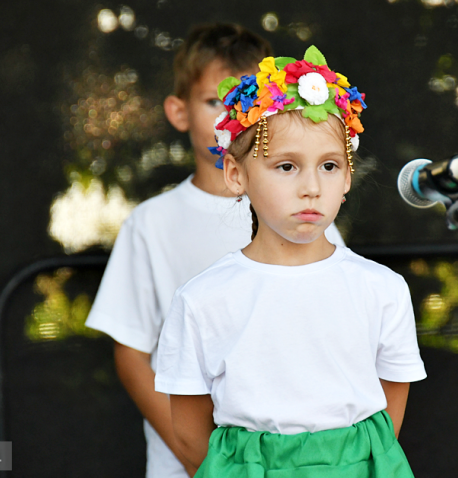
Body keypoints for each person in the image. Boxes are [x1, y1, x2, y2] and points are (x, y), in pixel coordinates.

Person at [85, 25, 346, 478]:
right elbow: (131, 355)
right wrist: (201, 460)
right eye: (213, 101)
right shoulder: (151, 222)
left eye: (245, 100)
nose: (230, 115)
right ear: (178, 110)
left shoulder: (306, 218)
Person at [154, 45, 427, 477]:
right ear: (235, 174)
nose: (312, 188)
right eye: (286, 166)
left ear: (348, 177)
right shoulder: (202, 300)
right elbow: (189, 433)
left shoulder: (383, 290)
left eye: (330, 166)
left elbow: (387, 419)